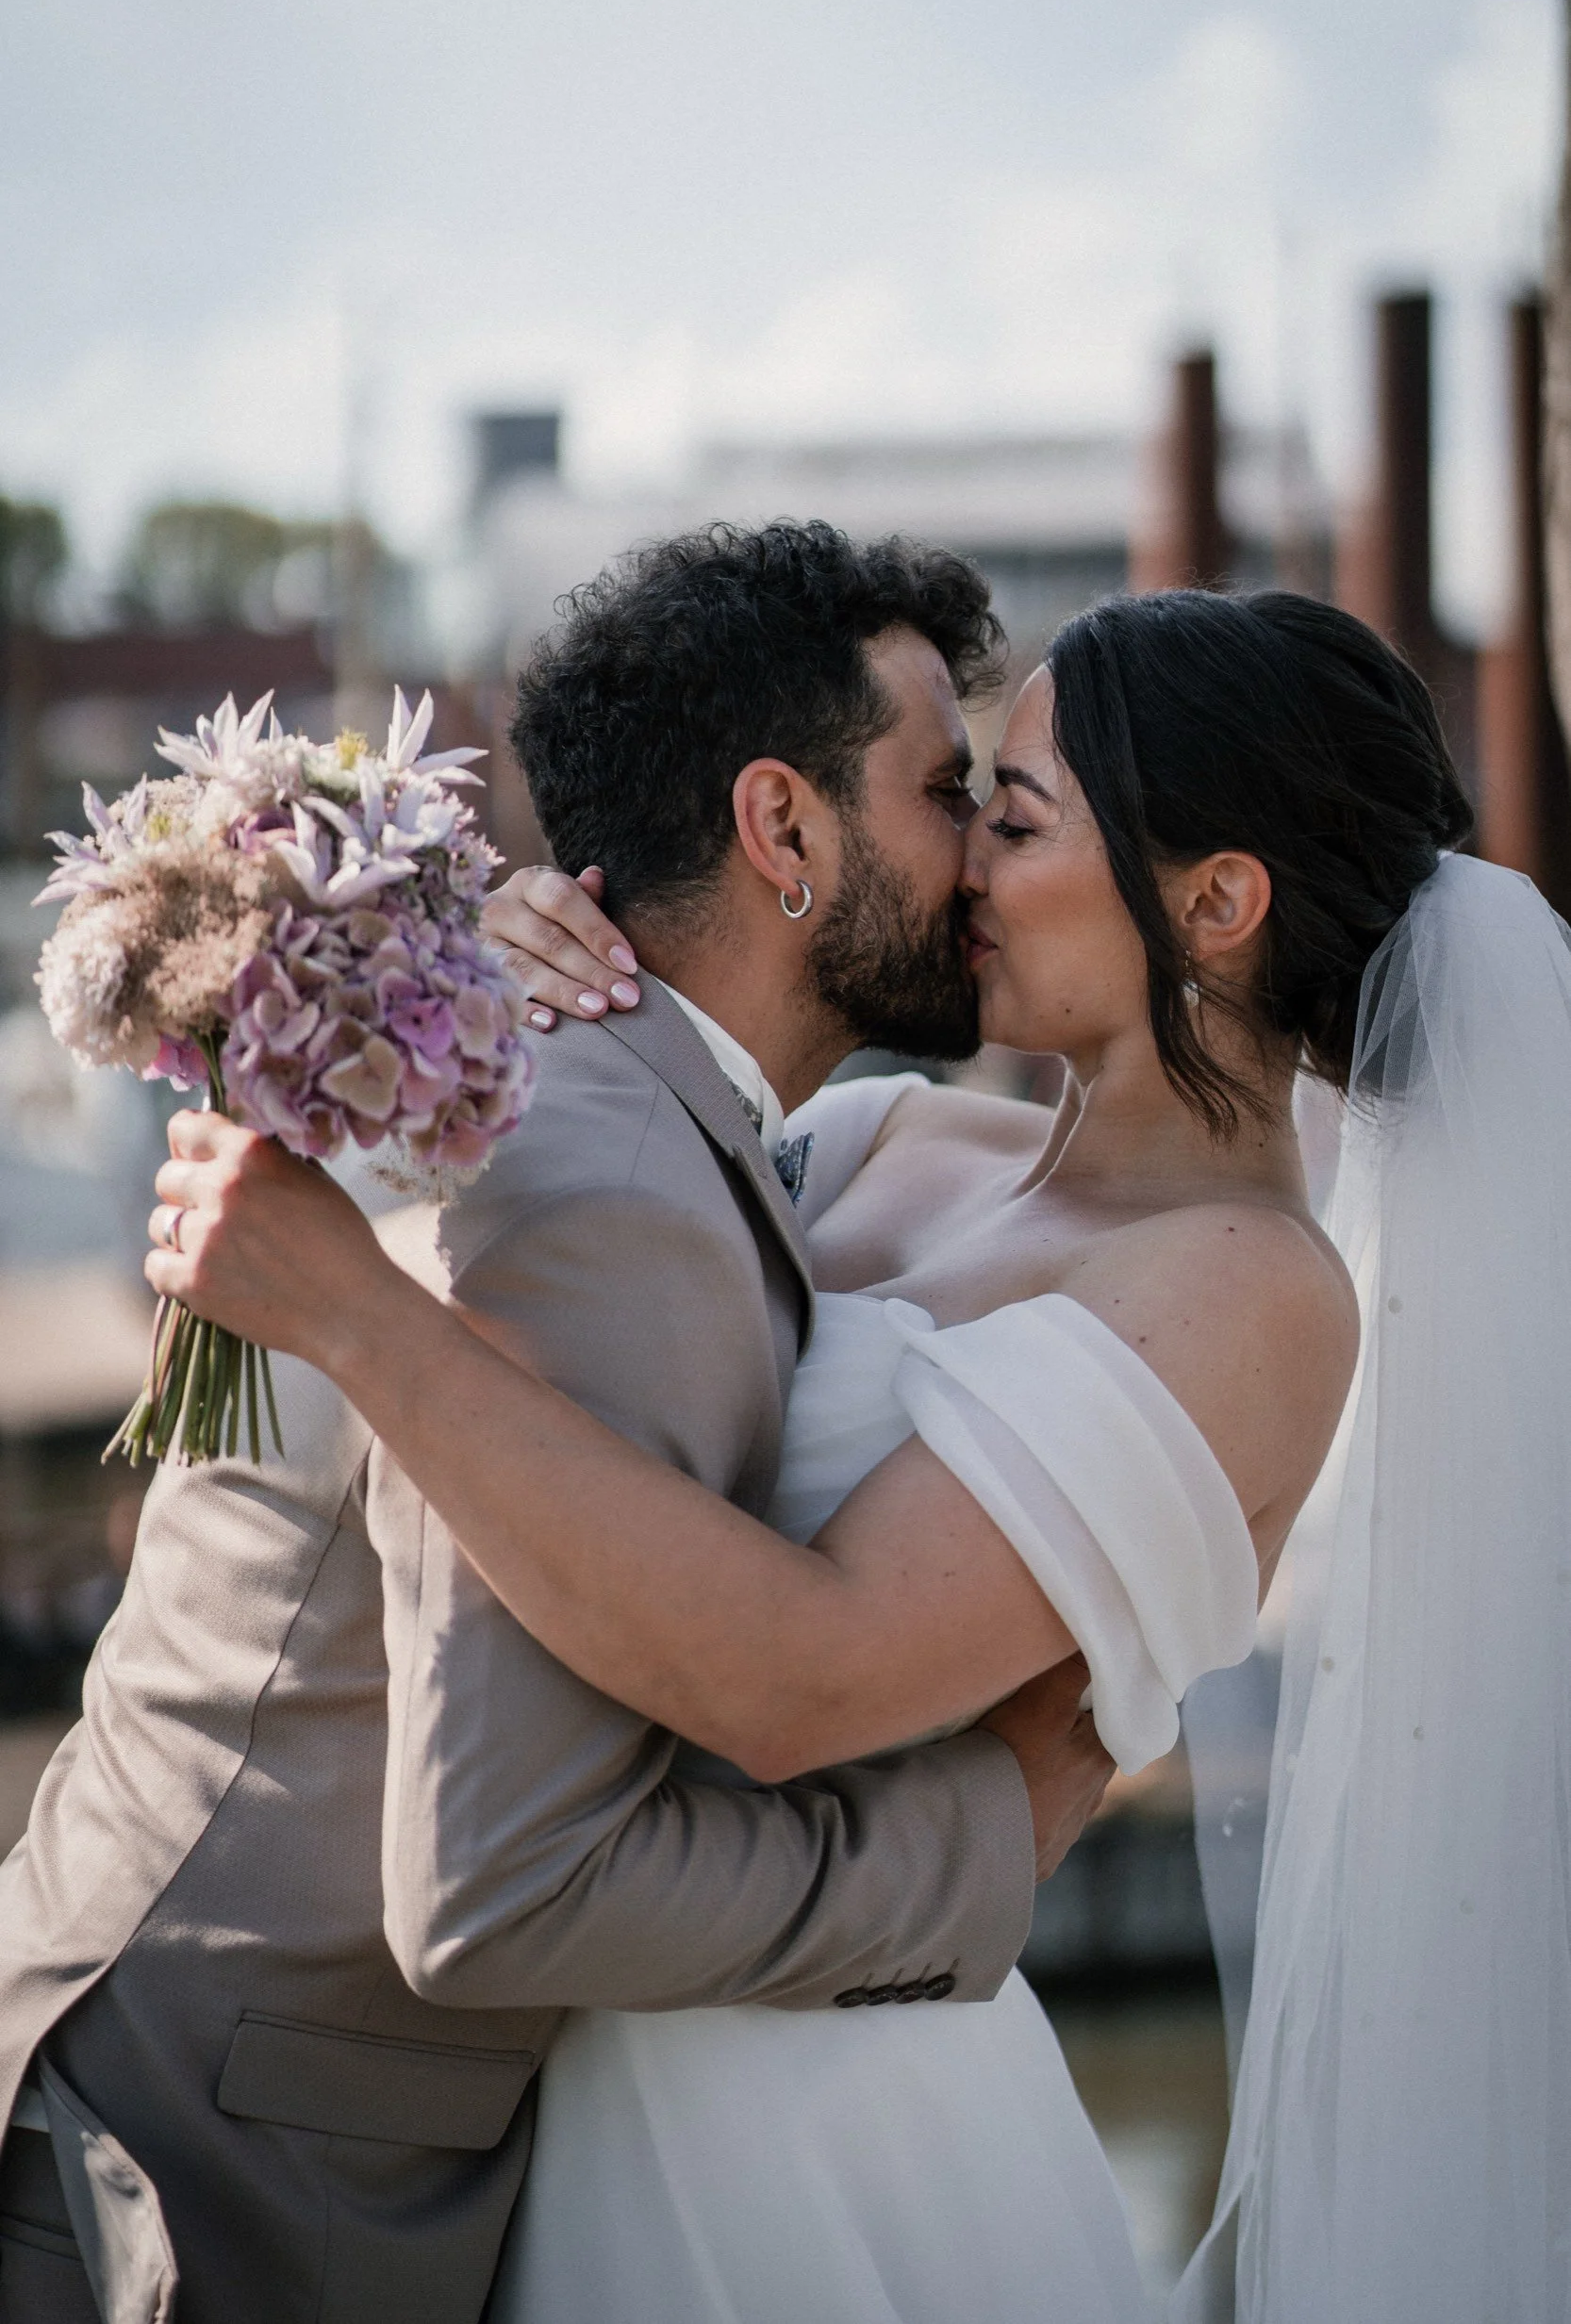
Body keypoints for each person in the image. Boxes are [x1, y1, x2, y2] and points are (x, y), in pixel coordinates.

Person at [145, 586, 1474, 2322]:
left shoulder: (1252, 1292)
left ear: (1217, 903)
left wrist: (361, 1321)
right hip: (559, 2072)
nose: (968, 869)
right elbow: (612, 1313)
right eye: (962, 807)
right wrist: (550, 962)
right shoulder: (875, 1138)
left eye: (1013, 814)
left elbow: (802, 1678)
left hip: (823, 2117)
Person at [0, 524, 1112, 2324]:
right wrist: (977, 1840)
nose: (979, 848)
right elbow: (508, 1885)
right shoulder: (604, 1174)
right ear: (784, 831)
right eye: (940, 787)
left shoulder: (558, 1075)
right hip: (193, 2200)